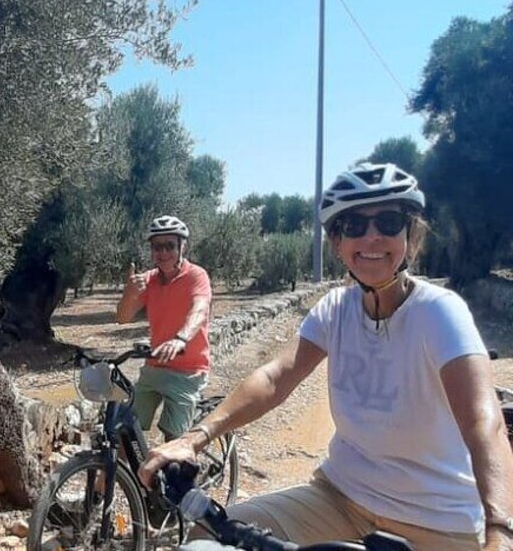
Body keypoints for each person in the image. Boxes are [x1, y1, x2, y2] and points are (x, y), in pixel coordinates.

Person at [138, 164, 513, 551]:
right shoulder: (335, 308)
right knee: (210, 537)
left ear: (410, 235)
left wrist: (499, 532)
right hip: (339, 500)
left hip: (437, 521)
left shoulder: (440, 311)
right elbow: (275, 377)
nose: (372, 237)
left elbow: (483, 422)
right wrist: (195, 438)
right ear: (337, 242)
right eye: (354, 226)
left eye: (388, 221)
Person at [117, 215, 212, 442]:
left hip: (188, 371)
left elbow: (199, 310)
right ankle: (126, 477)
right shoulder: (148, 280)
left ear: (182, 247)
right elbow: (123, 318)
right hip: (154, 367)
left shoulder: (196, 276)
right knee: (125, 433)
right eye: (157, 247)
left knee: (174, 442)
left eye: (170, 245)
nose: (163, 253)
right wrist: (129, 293)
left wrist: (181, 338)